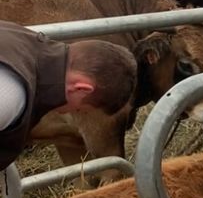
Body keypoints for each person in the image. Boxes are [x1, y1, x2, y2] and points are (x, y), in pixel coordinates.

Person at [0, 21, 137, 170]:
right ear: (81, 88)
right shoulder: (12, 94)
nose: (66, 112)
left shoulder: (24, 40)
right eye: (80, 109)